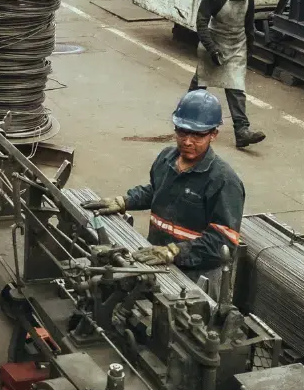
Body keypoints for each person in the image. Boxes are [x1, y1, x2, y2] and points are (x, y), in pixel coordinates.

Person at [82, 90, 246, 276]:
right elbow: (157, 191)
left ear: (213, 134)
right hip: (154, 257)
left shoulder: (223, 180)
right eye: (182, 132)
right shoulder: (166, 158)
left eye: (197, 135)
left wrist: (175, 251)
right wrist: (124, 201)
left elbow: (223, 243)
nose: (188, 141)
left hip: (196, 275)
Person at [192, 0, 265, 148]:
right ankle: (188, 116)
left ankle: (241, 131)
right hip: (215, 42)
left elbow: (249, 18)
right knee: (200, 83)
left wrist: (251, 44)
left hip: (237, 43)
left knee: (236, 87)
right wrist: (211, 48)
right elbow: (201, 22)